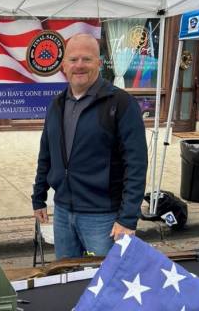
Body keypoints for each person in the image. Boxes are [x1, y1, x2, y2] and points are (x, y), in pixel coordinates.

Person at [31, 34, 147, 258]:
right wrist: (39, 197)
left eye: (87, 59)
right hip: (63, 214)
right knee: (66, 282)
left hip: (103, 217)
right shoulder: (56, 105)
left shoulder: (121, 104)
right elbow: (46, 154)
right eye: (73, 60)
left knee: (106, 284)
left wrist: (128, 218)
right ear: (64, 65)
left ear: (99, 63)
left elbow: (136, 164)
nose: (79, 66)